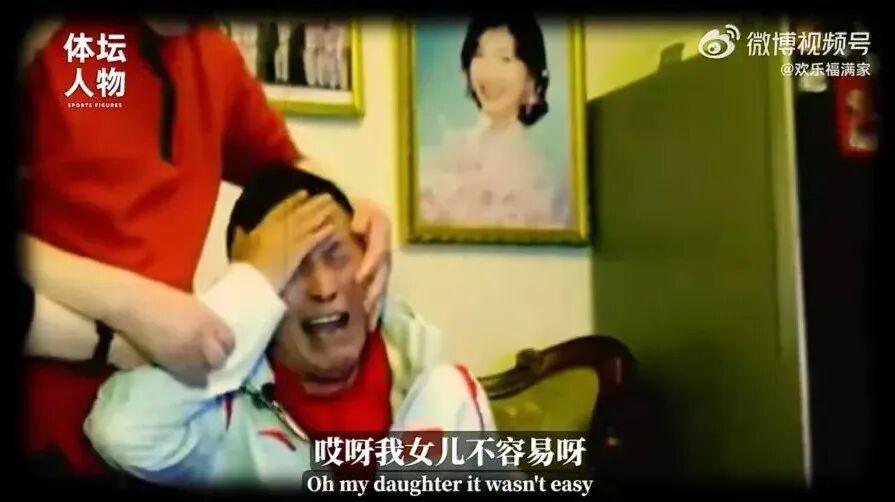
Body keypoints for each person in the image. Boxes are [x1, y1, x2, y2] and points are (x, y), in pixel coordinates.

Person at [19, 17, 392, 476]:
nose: (323, 287)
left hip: (162, 420)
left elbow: (290, 171)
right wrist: (130, 313)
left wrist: (361, 208)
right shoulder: (51, 49)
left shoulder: (212, 57)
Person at [83, 165, 496, 487]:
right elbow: (122, 432)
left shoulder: (429, 378)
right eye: (291, 268)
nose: (323, 289)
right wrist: (251, 286)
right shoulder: (222, 415)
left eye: (335, 255)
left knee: (448, 388)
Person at [419, 15, 571, 228]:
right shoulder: (447, 157)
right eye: (480, 55)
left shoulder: (547, 176)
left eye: (505, 58)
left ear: (531, 79)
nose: (489, 72)